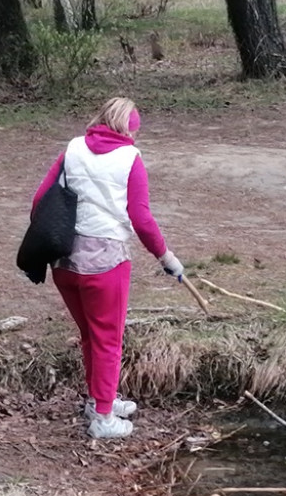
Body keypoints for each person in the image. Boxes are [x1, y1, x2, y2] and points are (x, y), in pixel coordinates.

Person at [30, 97, 183, 439]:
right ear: (129, 130)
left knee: (90, 335)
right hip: (105, 264)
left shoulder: (72, 149)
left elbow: (40, 199)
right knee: (108, 341)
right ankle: (103, 419)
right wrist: (166, 258)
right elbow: (141, 219)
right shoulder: (131, 159)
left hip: (64, 263)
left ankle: (102, 398)